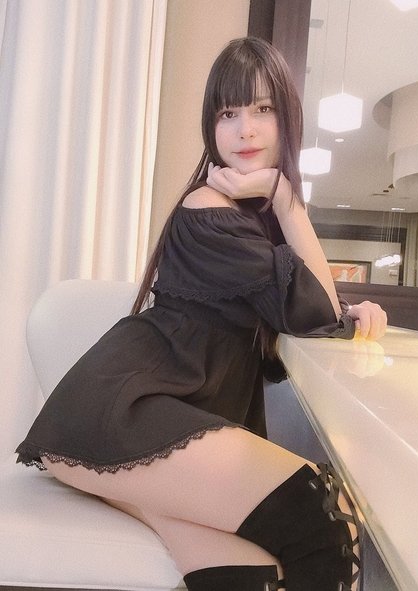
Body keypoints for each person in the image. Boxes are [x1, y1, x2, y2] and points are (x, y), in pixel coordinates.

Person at [16, 37, 387, 590]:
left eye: (262, 109)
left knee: (247, 574)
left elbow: (307, 313)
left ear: (287, 118)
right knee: (325, 519)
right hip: (119, 419)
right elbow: (311, 315)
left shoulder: (247, 221)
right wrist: (287, 198)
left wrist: (344, 311)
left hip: (137, 427)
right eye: (227, 113)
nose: (245, 130)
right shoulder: (208, 208)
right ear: (210, 127)